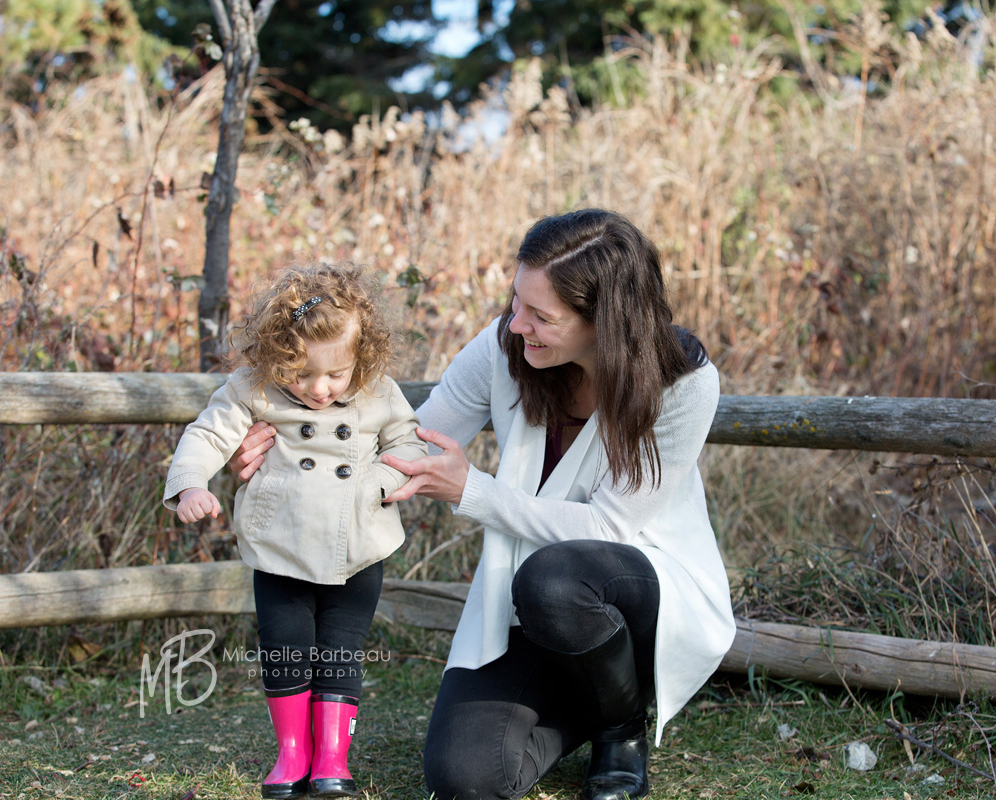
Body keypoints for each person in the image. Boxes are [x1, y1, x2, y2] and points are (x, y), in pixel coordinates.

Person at [230, 210, 736, 800]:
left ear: (606, 322)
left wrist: (473, 490)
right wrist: (285, 460)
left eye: (541, 316)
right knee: (467, 779)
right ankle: (581, 700)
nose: (516, 324)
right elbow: (409, 445)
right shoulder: (508, 346)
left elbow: (611, 526)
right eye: (516, 301)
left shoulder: (683, 382)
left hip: (639, 588)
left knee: (555, 578)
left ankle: (620, 729)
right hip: (530, 596)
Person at [164, 261, 427, 800]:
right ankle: (293, 753)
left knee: (340, 649)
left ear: (363, 356)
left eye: (337, 374)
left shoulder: (379, 391)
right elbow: (207, 435)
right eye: (302, 374)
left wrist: (377, 481)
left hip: (357, 546)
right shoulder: (253, 387)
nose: (321, 389)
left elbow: (408, 443)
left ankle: (332, 758)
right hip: (280, 544)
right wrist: (191, 483)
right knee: (284, 647)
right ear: (277, 355)